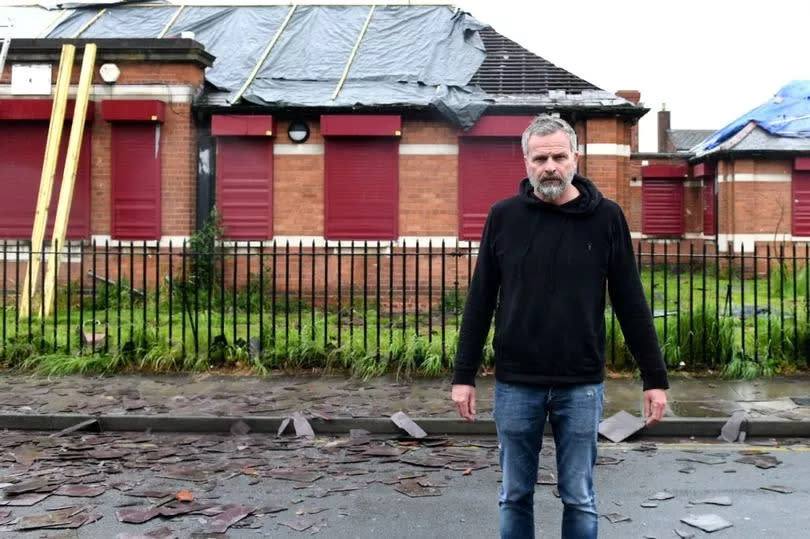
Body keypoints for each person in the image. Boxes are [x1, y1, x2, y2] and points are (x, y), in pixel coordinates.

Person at [451, 114, 669, 539]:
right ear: (526, 163)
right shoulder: (503, 217)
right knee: (514, 494)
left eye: (558, 156)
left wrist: (654, 378)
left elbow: (630, 301)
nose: (549, 166)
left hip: (580, 383)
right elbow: (479, 300)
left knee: (579, 496)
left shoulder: (606, 218)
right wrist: (464, 376)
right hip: (517, 382)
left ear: (575, 159)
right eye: (540, 158)